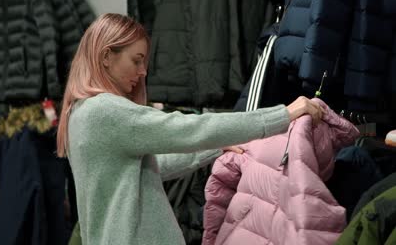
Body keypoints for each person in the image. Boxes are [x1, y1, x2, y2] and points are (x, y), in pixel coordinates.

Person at [56, 13, 325, 245]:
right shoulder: (106, 111)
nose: (142, 72)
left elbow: (151, 168)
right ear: (106, 57)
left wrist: (214, 148)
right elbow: (189, 127)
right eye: (136, 60)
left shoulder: (81, 112)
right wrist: (282, 114)